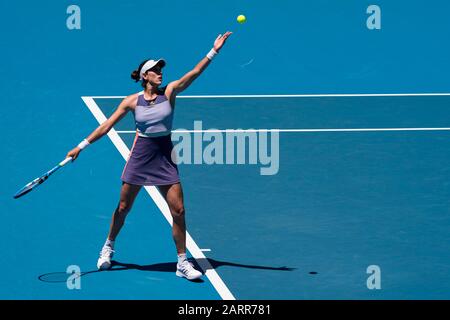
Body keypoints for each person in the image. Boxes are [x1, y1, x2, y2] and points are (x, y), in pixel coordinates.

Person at [66, 31, 232, 280]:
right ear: (145, 76)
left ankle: (182, 262)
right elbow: (106, 126)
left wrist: (214, 50)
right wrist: (81, 146)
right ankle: (108, 246)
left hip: (165, 156)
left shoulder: (171, 91)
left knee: (179, 211)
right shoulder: (131, 101)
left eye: (161, 68)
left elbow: (195, 73)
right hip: (141, 157)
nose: (160, 72)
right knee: (123, 208)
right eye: (155, 69)